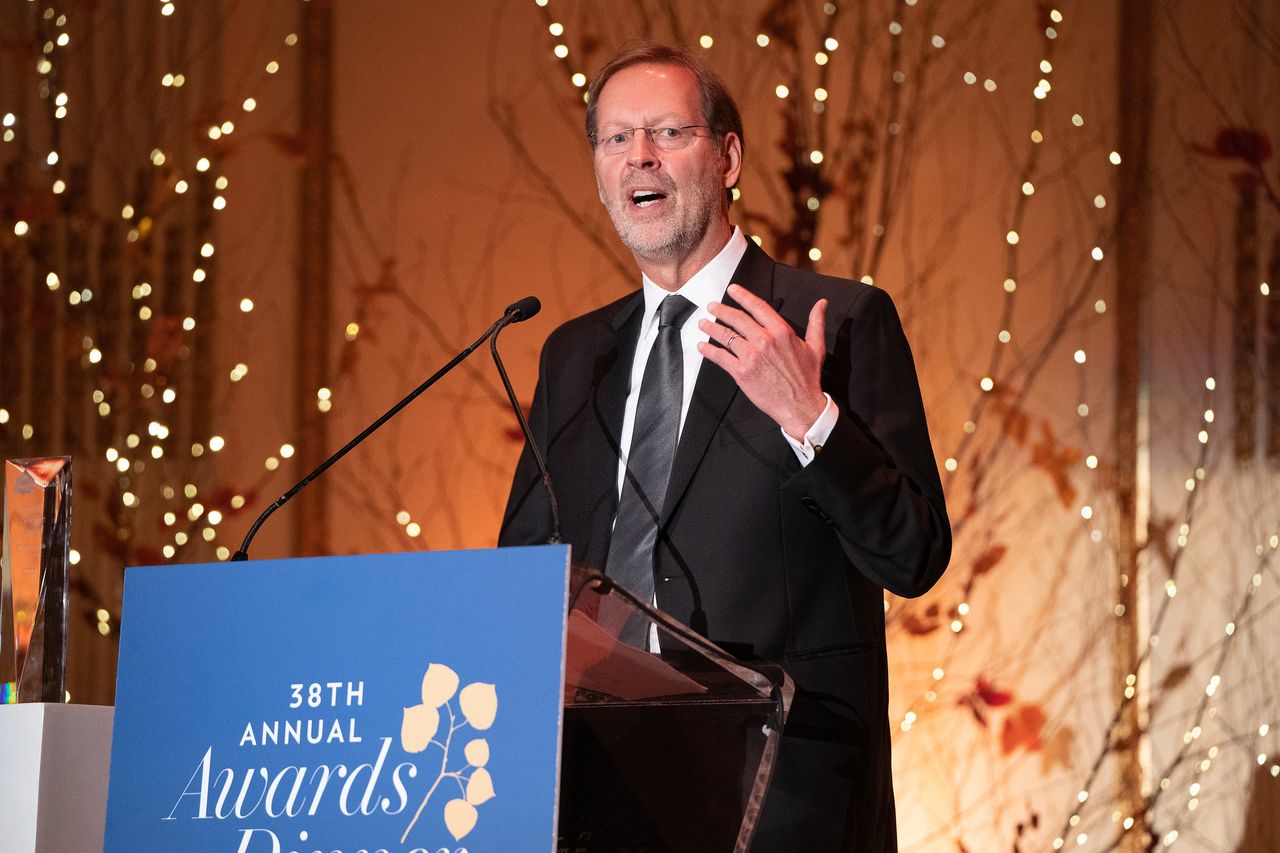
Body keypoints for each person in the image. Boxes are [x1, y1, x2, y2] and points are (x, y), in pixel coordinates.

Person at [499, 41, 951, 851]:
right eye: (615, 139)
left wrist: (811, 418)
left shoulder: (837, 321)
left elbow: (913, 555)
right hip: (602, 792)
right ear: (601, 173)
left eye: (669, 132)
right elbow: (524, 571)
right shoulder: (573, 354)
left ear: (728, 156)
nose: (639, 155)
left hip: (779, 794)